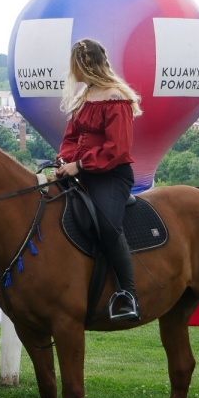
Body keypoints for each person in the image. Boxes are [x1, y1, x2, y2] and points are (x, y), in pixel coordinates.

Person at [55, 38, 143, 322]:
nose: (72, 71)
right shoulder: (85, 96)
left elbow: (117, 149)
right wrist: (65, 161)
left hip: (111, 174)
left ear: (84, 64)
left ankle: (128, 294)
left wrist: (79, 165)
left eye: (74, 65)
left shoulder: (116, 97)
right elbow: (70, 137)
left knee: (106, 225)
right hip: (80, 171)